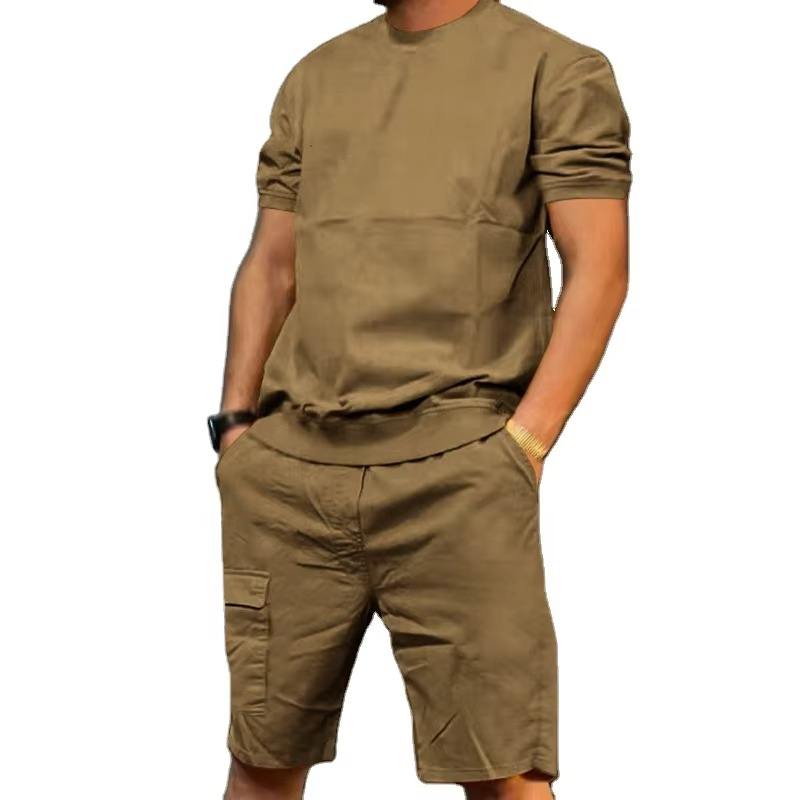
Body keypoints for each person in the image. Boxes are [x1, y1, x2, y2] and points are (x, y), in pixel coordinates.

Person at [207, 0, 632, 797]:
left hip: (457, 477)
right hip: (289, 477)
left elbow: (600, 269)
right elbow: (271, 262)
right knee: (261, 763)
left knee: (504, 772)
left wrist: (524, 443)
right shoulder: (315, 76)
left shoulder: (556, 70)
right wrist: (236, 426)